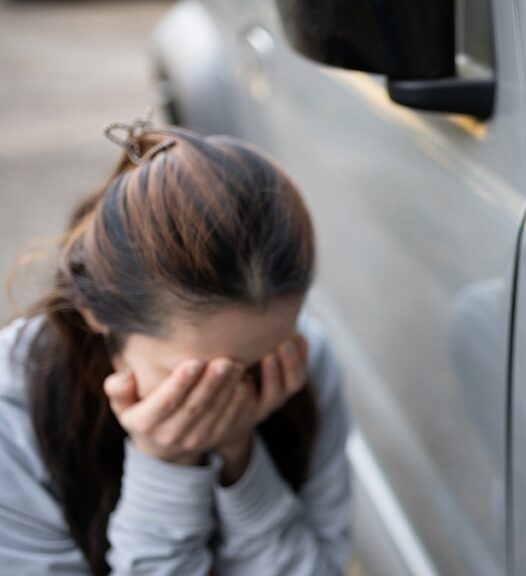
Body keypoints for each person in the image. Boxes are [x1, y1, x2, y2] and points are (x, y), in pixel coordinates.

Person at [0, 116, 351, 574]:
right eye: (198, 376)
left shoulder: (300, 361)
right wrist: (166, 467)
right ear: (94, 310)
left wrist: (241, 459)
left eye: (253, 366)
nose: (233, 396)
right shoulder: (13, 417)